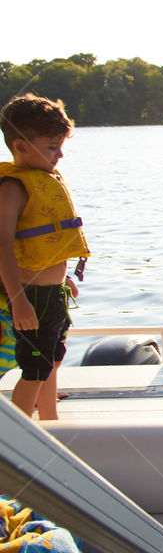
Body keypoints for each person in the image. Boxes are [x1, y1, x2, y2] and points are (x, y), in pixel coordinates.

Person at [0, 94, 88, 420]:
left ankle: (51, 423)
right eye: (52, 147)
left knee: (52, 361)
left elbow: (49, 244)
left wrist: (64, 279)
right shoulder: (12, 187)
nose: (59, 154)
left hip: (53, 292)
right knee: (35, 367)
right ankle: (19, 438)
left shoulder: (45, 180)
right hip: (31, 295)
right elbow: (3, 246)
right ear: (21, 146)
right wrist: (18, 299)